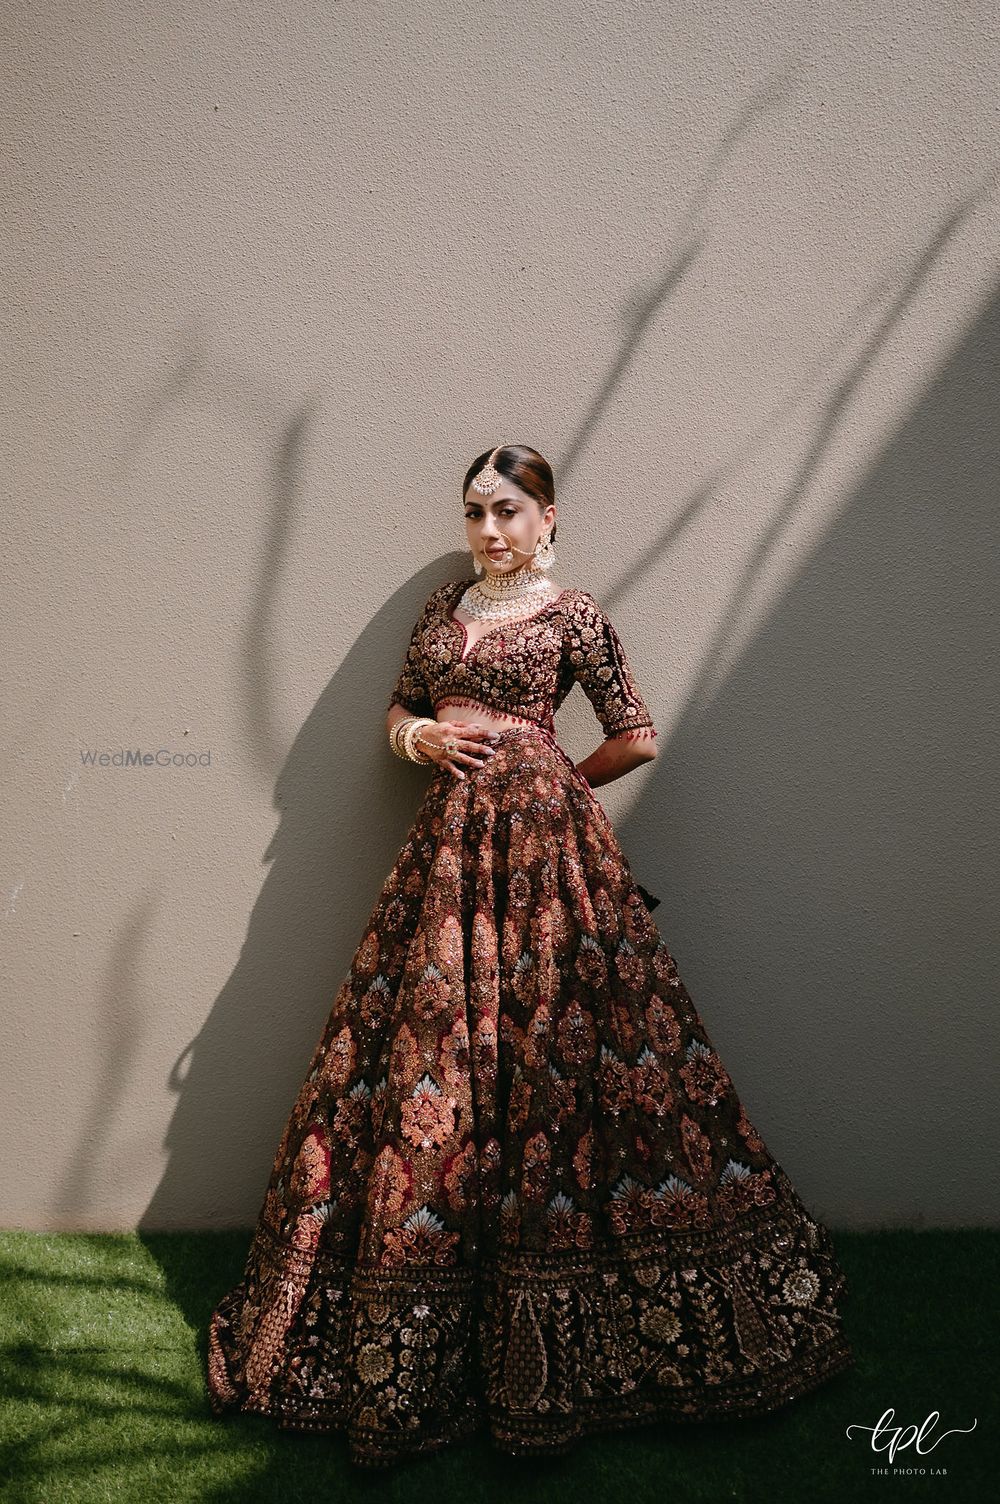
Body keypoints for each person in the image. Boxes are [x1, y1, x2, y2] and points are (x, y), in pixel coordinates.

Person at [205, 443, 854, 1467]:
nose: (490, 529)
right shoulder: (443, 615)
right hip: (446, 867)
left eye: (509, 510)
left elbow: (634, 734)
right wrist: (420, 742)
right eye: (475, 511)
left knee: (570, 1058)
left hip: (552, 863)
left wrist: (553, 776)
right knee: (431, 1059)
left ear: (549, 517)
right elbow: (398, 707)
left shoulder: (574, 616)